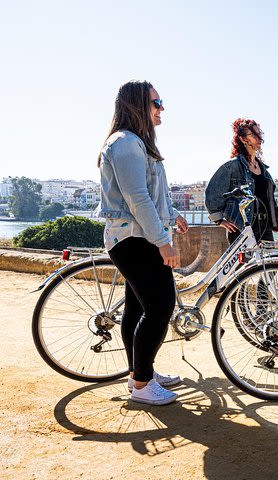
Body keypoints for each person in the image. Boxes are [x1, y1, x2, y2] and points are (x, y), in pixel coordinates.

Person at [97, 80, 189, 405]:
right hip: (135, 239)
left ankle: (140, 371)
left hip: (138, 237)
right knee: (160, 305)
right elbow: (137, 199)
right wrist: (164, 242)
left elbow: (151, 195)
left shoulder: (137, 144)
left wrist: (173, 213)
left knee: (137, 308)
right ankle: (141, 383)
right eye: (156, 102)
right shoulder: (125, 144)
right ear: (138, 105)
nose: (161, 108)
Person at [205, 118, 278, 245]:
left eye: (259, 134)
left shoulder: (263, 169)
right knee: (246, 265)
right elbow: (212, 194)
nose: (259, 138)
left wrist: (274, 222)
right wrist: (219, 220)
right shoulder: (233, 166)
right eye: (253, 135)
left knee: (268, 265)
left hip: (265, 227)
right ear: (243, 139)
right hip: (242, 228)